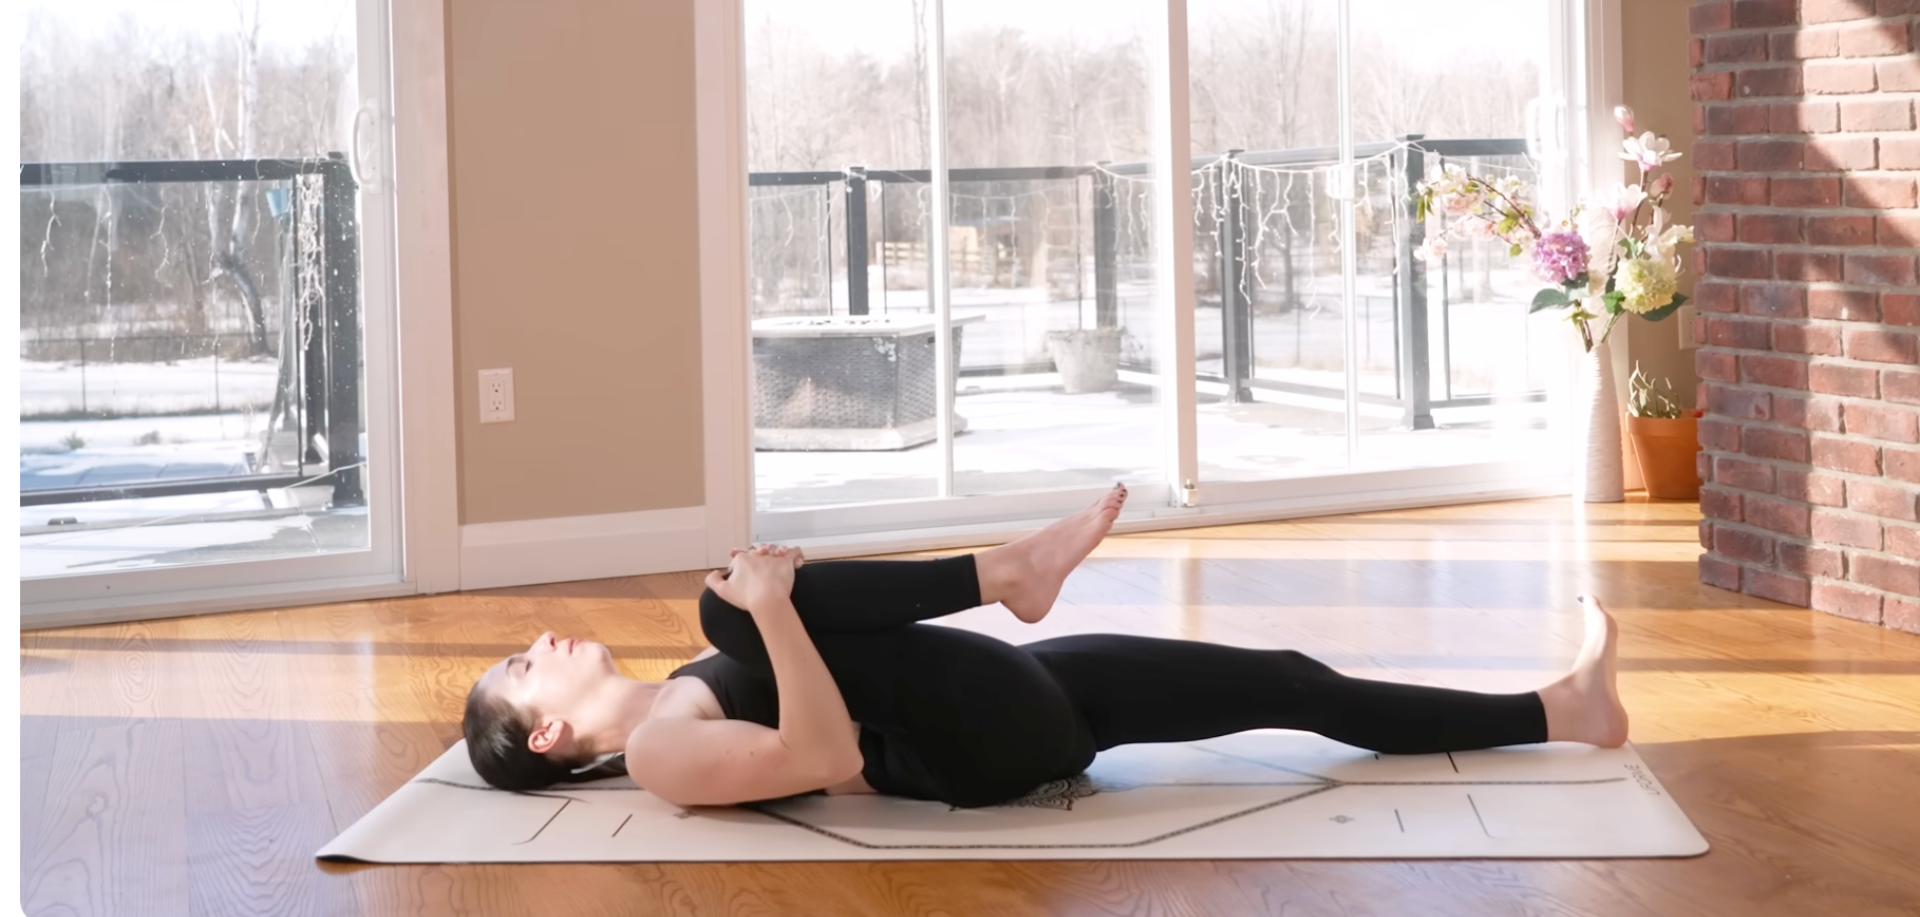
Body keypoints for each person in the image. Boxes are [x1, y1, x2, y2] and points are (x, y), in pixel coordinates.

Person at [463, 485, 1628, 808]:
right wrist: (764, 611)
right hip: (968, 749)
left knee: (1285, 683)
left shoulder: (685, 691)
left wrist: (769, 611)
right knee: (726, 603)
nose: (542, 642)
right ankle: (1007, 575)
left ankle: (1559, 712)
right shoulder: (666, 749)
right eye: (524, 668)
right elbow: (820, 754)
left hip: (1016, 698)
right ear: (552, 733)